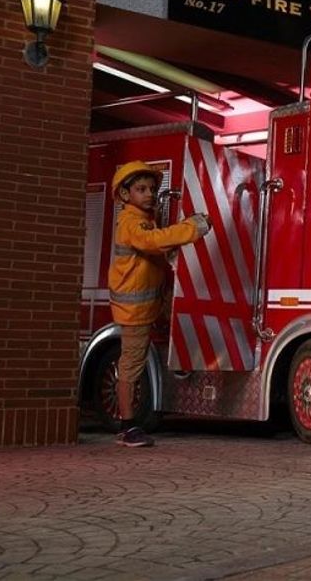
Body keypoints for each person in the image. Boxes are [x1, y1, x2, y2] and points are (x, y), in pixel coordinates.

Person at [109, 161, 211, 447]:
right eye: (141, 189)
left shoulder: (144, 219)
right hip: (135, 311)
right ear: (125, 194)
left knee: (181, 322)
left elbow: (155, 246)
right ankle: (127, 427)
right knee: (131, 366)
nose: (150, 194)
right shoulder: (130, 222)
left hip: (150, 303)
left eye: (152, 189)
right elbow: (152, 241)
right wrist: (192, 228)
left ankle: (180, 362)